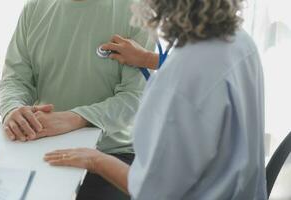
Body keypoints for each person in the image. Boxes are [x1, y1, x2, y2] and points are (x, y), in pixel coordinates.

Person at [44, 0, 267, 199]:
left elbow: (154, 191)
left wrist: (95, 160)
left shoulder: (180, 81)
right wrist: (148, 58)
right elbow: (206, 73)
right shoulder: (238, 40)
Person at [0, 0, 154, 199]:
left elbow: (135, 97)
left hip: (111, 154)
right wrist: (13, 109)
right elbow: (16, 78)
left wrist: (76, 117)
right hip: (39, 146)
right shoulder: (36, 6)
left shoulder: (138, 11)